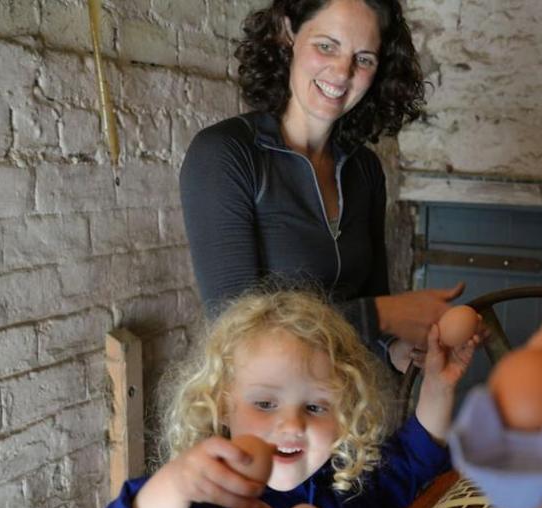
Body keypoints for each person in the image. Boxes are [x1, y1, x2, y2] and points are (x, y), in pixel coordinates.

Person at [98, 284, 479, 508]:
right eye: (265, 403)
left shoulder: (344, 483)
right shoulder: (211, 504)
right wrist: (176, 483)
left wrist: (438, 388)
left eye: (315, 407)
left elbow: (415, 457)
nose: (292, 425)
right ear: (221, 404)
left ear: (345, 413)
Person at [179, 0, 461, 370]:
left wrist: (394, 349)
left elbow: (371, 310)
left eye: (364, 59)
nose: (342, 72)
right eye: (327, 45)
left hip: (351, 412)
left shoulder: (366, 170)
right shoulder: (225, 155)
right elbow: (238, 336)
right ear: (287, 34)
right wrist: (381, 315)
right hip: (265, 417)